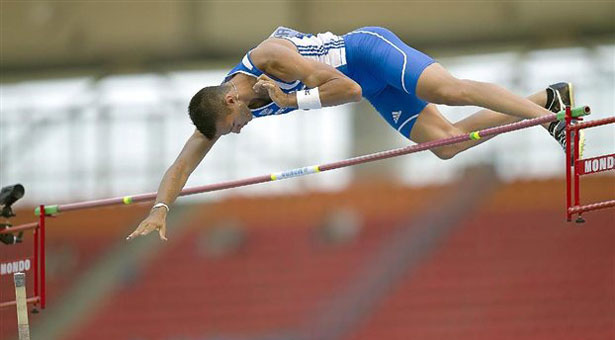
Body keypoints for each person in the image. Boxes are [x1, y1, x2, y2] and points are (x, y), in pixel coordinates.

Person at [126, 26, 582, 241]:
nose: (238, 132)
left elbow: (349, 88)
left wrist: (292, 101)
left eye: (234, 127)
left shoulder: (269, 58)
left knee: (452, 90)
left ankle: (552, 120)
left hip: (368, 54)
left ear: (231, 100)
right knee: (448, 144)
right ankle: (547, 100)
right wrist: (161, 208)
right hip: (370, 86)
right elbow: (182, 163)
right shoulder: (220, 112)